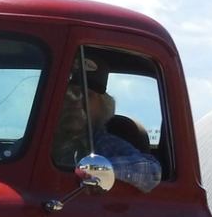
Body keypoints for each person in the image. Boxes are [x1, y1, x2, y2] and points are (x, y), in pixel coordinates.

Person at [50, 59, 159, 193]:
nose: (76, 102)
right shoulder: (38, 141)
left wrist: (96, 170)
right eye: (68, 95)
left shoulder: (103, 143)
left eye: (87, 95)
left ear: (103, 107)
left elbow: (151, 171)